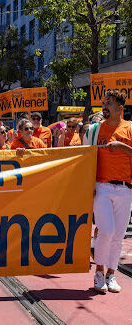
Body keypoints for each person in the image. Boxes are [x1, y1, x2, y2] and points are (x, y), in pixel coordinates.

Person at [83, 90, 132, 294]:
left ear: (120, 109)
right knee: (107, 230)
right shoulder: (94, 131)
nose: (104, 106)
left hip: (125, 188)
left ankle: (111, 275)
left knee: (118, 235)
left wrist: (122, 146)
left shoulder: (130, 129)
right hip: (101, 187)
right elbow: (82, 158)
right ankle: (99, 272)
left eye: (109, 103)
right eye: (104, 102)